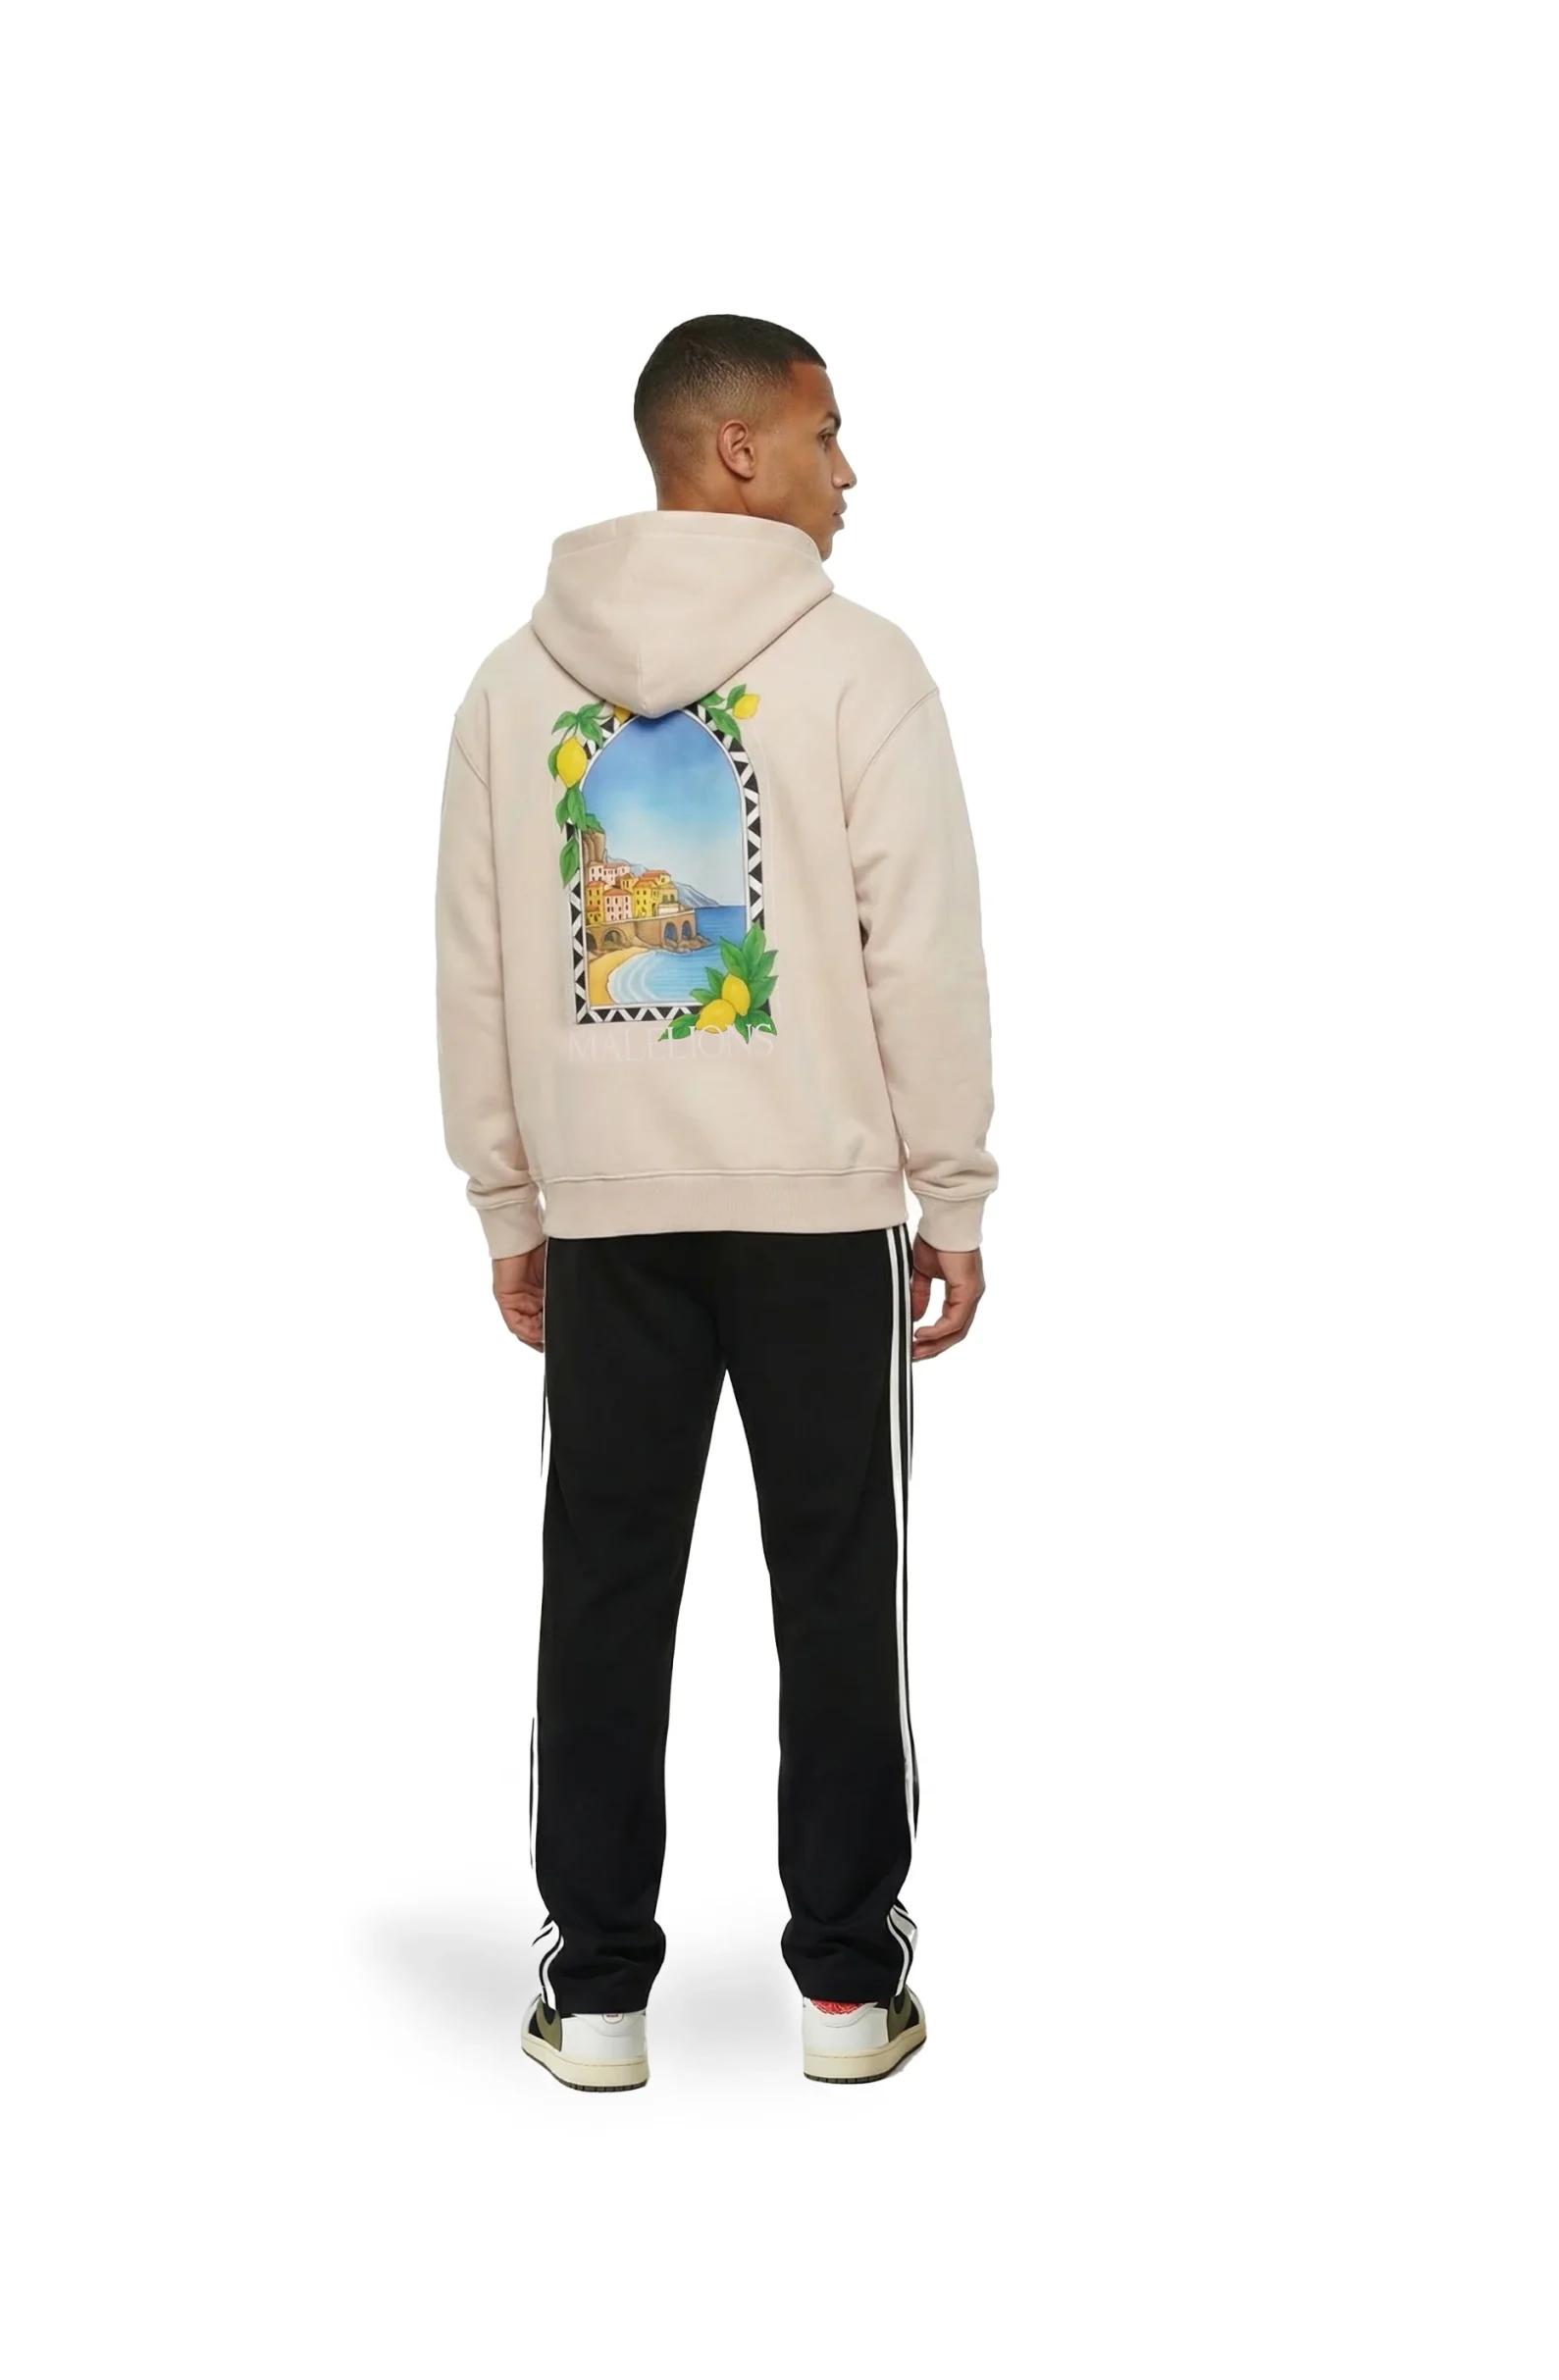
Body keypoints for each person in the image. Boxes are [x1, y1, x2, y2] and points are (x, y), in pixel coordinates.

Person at [433, 314, 997, 2090]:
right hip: (816, 1210)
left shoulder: (513, 687)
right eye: (825, 435)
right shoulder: (857, 668)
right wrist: (952, 1188)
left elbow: (474, 967)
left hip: (608, 1214)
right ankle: (845, 1994)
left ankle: (596, 1995)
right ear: (738, 450)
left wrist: (510, 1201)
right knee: (836, 1587)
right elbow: (921, 951)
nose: (850, 470)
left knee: (601, 1588)